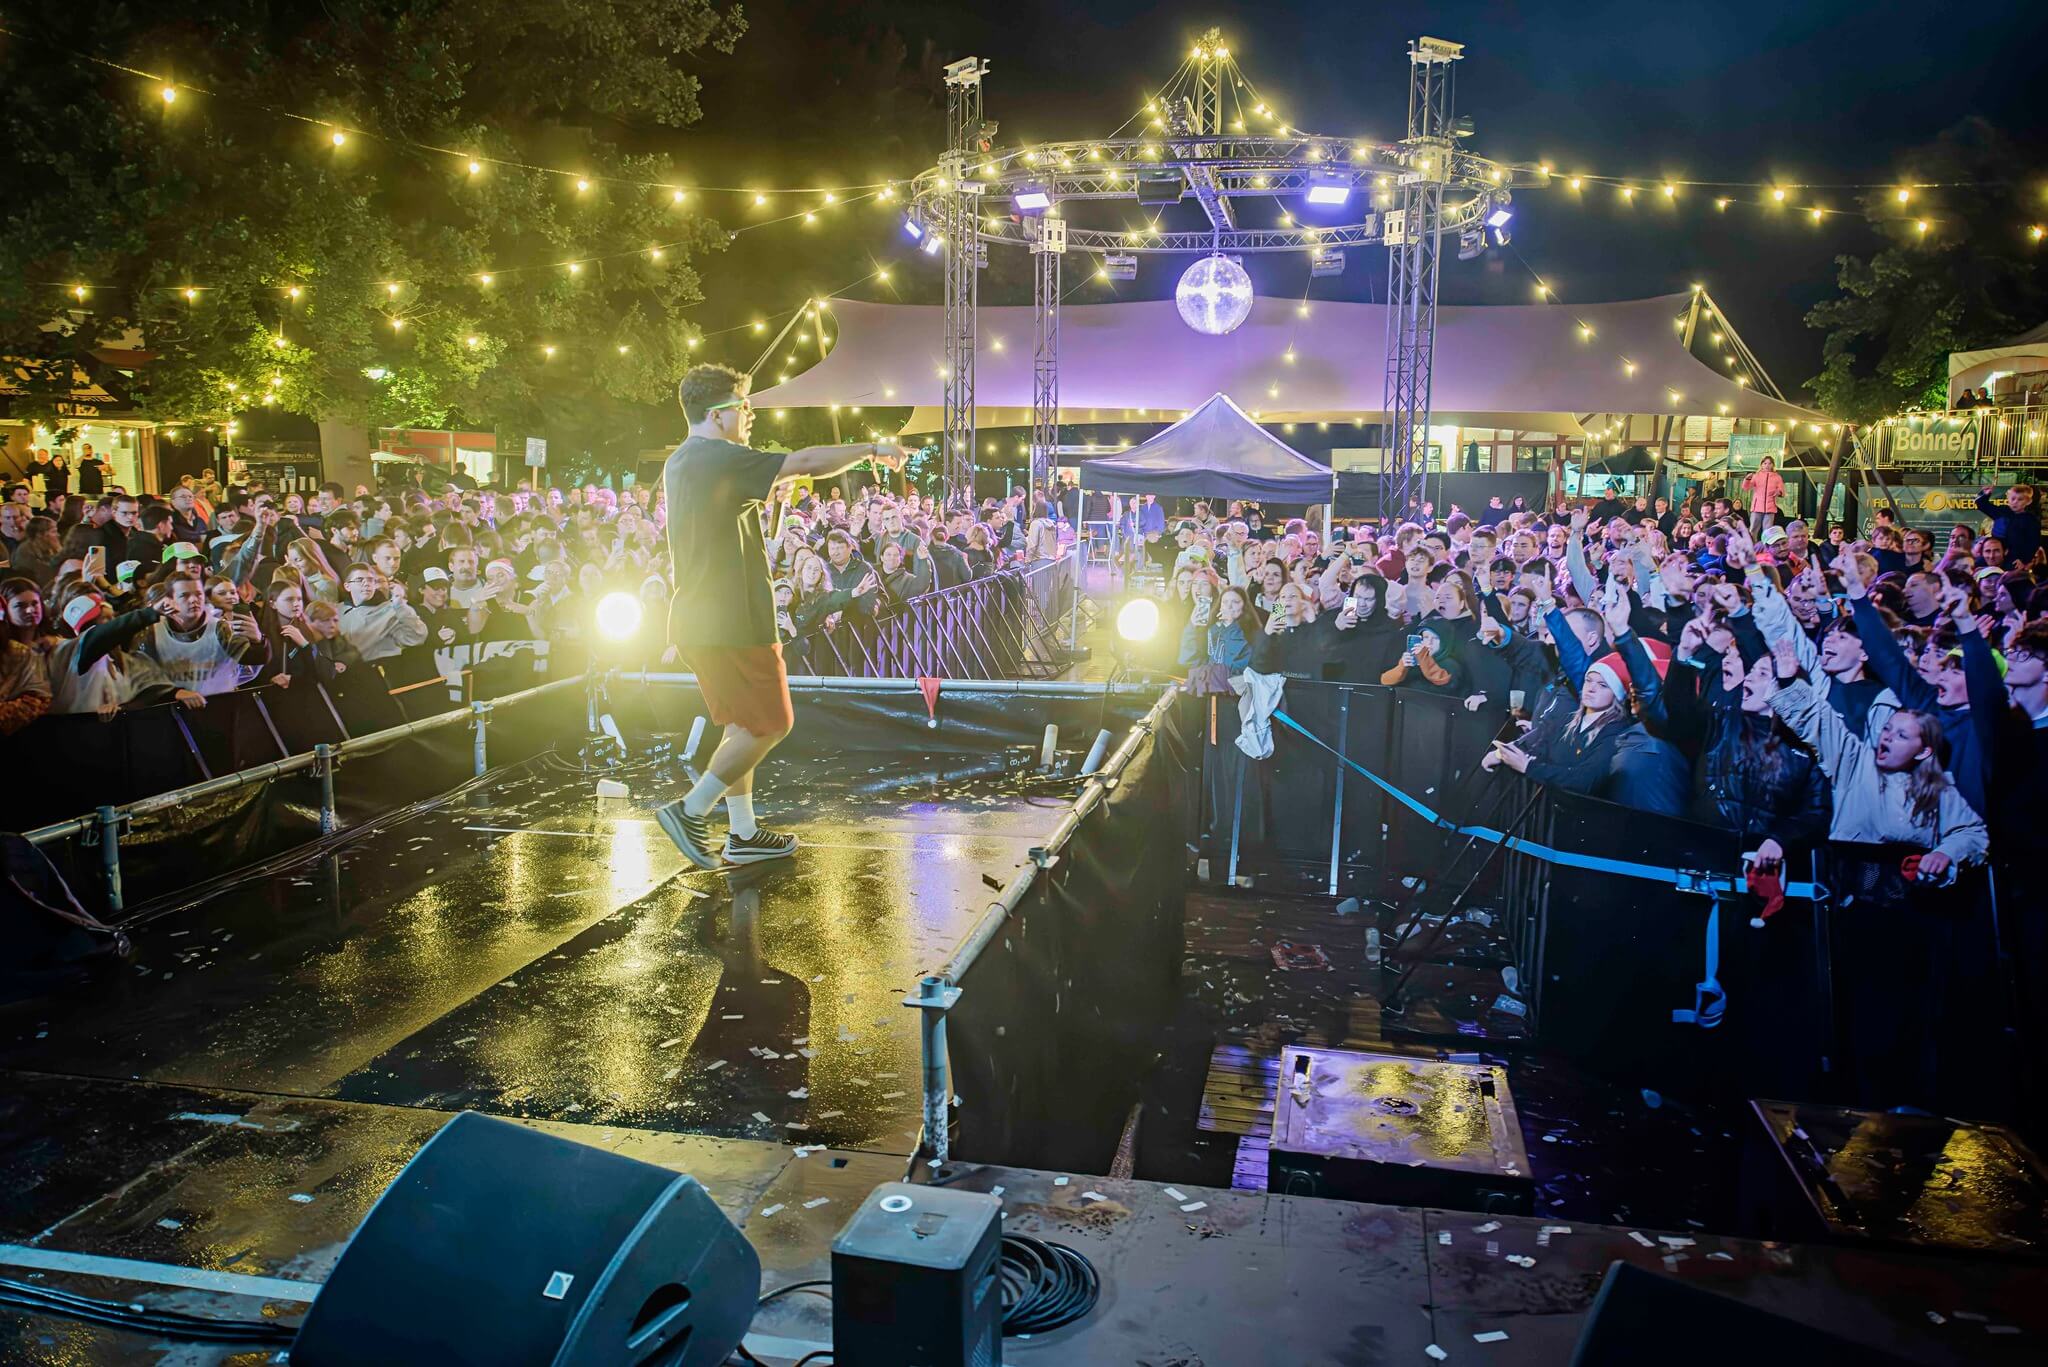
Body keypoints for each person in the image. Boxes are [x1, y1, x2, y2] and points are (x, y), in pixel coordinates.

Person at [654, 363, 905, 869]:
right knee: (772, 723)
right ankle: (691, 810)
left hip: (703, 620)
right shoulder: (717, 457)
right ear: (718, 414)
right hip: (732, 620)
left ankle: (743, 833)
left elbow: (749, 536)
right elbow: (806, 460)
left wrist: (772, 508)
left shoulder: (684, 461)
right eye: (743, 406)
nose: (750, 415)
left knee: (743, 724)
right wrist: (872, 449)